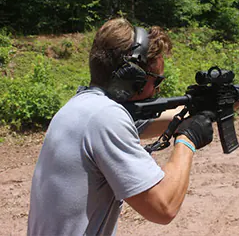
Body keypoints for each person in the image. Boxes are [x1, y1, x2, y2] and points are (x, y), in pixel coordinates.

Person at [27, 18, 216, 236]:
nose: (156, 91)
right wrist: (187, 139)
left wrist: (202, 109)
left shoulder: (79, 107)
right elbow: (164, 207)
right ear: (131, 78)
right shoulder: (106, 118)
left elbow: (142, 124)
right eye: (156, 81)